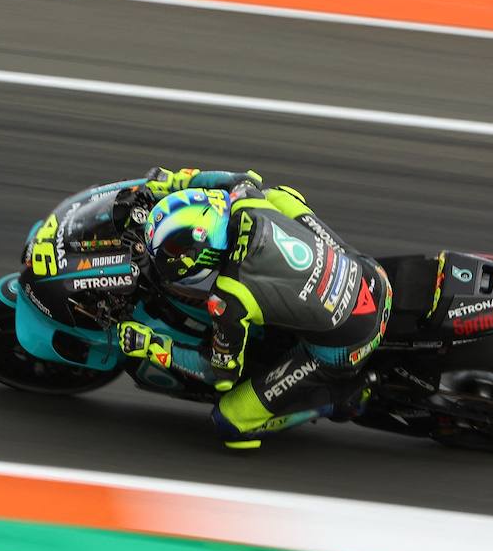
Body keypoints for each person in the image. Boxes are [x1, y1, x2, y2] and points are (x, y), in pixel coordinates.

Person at [118, 167, 392, 448]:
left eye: (174, 251)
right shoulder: (244, 199)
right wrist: (177, 181)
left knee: (230, 421)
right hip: (371, 274)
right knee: (278, 196)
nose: (166, 257)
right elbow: (238, 178)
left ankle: (340, 399)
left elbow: (219, 373)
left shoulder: (230, 297)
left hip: (348, 342)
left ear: (201, 250)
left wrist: (153, 346)